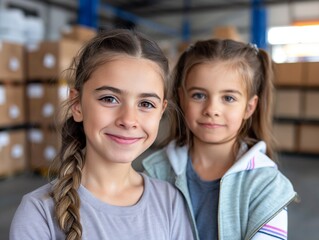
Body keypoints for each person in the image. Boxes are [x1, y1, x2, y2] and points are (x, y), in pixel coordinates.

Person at [10, 29, 194, 240]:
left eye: (145, 104)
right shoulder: (38, 213)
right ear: (77, 105)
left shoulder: (170, 202)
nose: (128, 120)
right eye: (109, 99)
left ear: (161, 111)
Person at [142, 39, 298, 240]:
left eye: (228, 98)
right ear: (182, 98)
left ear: (249, 107)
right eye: (199, 95)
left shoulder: (267, 185)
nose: (211, 110)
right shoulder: (155, 172)